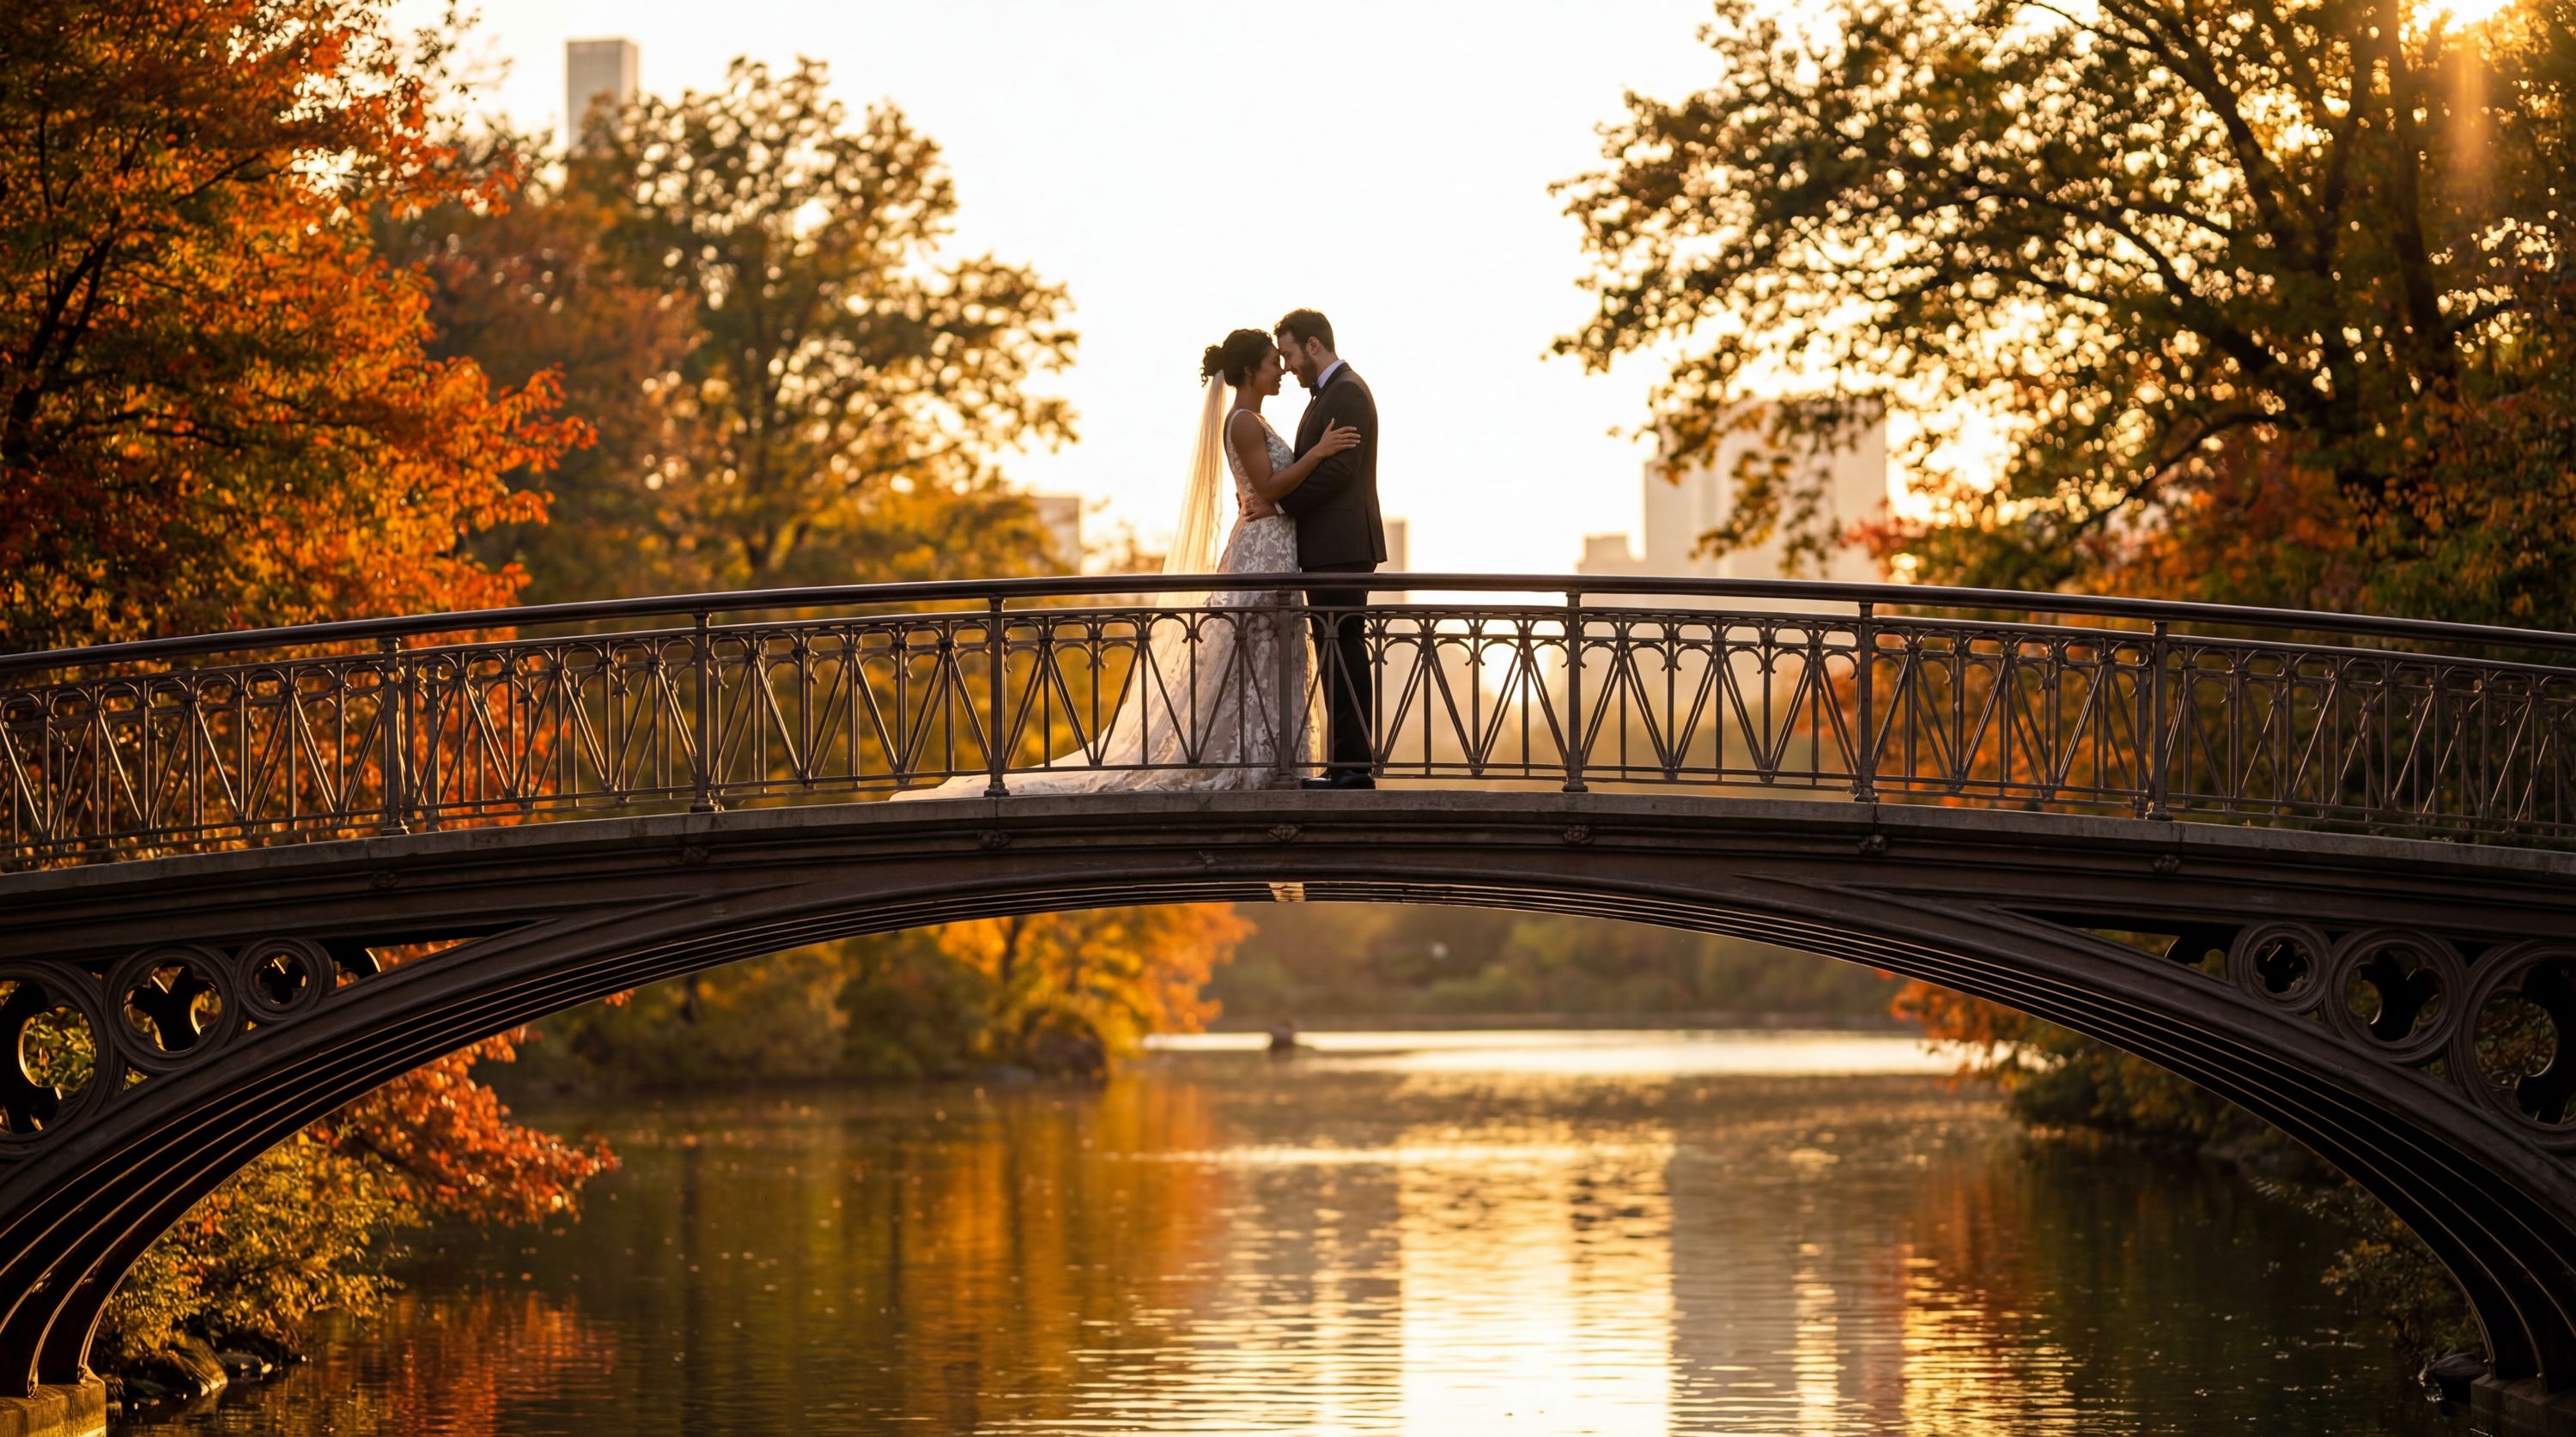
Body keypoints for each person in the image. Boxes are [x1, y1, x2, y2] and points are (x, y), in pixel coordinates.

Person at [893, 329, 1358, 797]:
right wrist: (1318, 453)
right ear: (1247, 372)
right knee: (1248, 653)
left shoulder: (1255, 419)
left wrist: (1273, 499)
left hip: (1274, 546)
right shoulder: (1242, 421)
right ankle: (1243, 763)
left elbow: (1263, 492)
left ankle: (1272, 762)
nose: (1281, 370)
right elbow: (1271, 487)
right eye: (1272, 363)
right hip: (1260, 554)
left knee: (1271, 654)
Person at [1270, 308, 1387, 790]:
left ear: (1314, 345)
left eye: (1290, 353)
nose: (1288, 365)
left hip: (1341, 545)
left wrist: (1286, 501)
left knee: (1344, 652)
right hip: (1332, 546)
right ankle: (1344, 765)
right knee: (1338, 651)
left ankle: (1352, 768)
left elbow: (1341, 471)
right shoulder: (1333, 392)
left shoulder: (1347, 392)